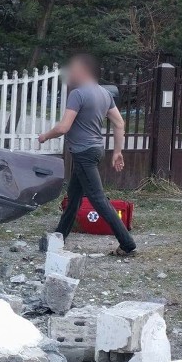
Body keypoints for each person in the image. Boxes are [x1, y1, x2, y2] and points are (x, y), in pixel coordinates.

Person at [38, 53, 136, 256]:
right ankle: (59, 237)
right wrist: (117, 151)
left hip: (83, 153)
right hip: (94, 151)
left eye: (73, 69)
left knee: (98, 199)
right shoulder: (104, 93)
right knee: (73, 197)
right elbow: (119, 123)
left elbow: (64, 127)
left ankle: (127, 243)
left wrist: (45, 136)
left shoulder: (78, 94)